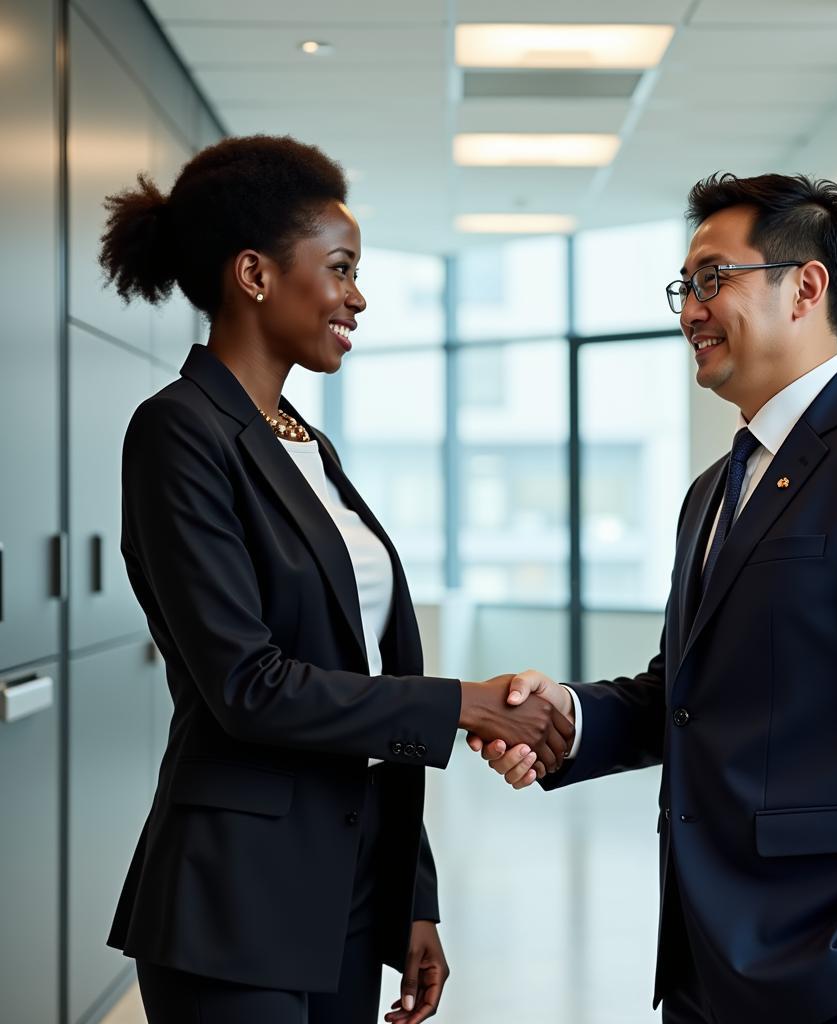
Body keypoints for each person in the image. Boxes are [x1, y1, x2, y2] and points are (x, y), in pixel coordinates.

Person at [471, 173, 837, 1024]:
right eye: (685, 287)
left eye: (712, 279)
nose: (690, 309)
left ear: (805, 286)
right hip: (705, 959)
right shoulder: (712, 490)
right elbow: (686, 696)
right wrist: (566, 718)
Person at [99, 134, 574, 1024]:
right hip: (236, 899)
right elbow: (249, 686)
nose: (358, 296)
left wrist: (413, 896)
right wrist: (463, 703)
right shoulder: (177, 433)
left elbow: (367, 677)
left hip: (351, 889)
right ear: (255, 275)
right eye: (341, 268)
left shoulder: (308, 446)